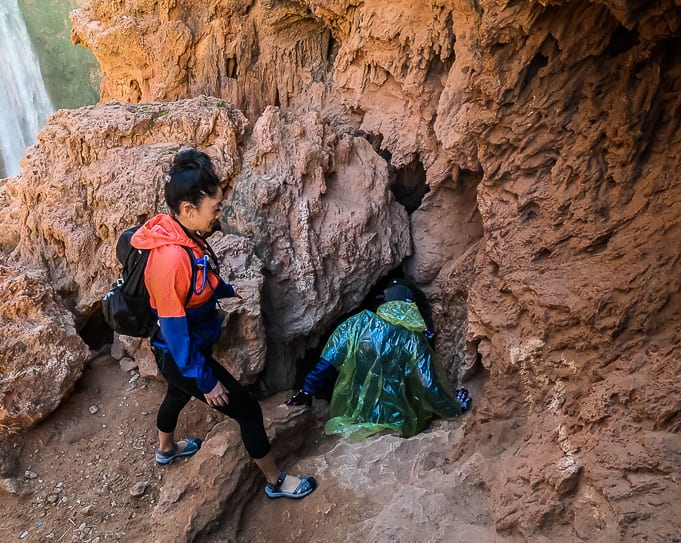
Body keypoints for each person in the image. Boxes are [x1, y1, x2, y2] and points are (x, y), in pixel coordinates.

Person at [131, 149, 317, 499]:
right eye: (214, 208)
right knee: (246, 410)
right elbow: (175, 331)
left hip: (178, 354)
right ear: (188, 209)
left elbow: (195, 282)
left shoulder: (181, 234)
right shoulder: (169, 260)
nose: (219, 214)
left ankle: (166, 450)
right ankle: (276, 481)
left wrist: (225, 289)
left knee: (176, 393)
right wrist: (207, 380)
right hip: (180, 354)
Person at [287, 281, 471, 439]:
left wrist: (307, 390)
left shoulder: (357, 324)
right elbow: (428, 386)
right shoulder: (413, 339)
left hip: (354, 414)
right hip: (397, 421)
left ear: (386, 302)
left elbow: (327, 363)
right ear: (411, 307)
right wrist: (454, 407)